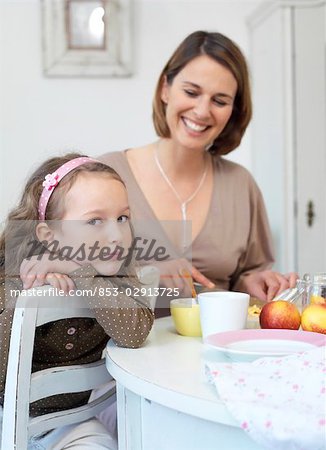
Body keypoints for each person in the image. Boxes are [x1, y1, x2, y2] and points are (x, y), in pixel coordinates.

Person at [100, 30, 297, 314]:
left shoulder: (241, 185)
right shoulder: (107, 174)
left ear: (234, 110)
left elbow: (246, 278)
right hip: (121, 354)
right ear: (164, 89)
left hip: (217, 351)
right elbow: (65, 274)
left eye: (220, 101)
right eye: (191, 92)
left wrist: (255, 282)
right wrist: (146, 275)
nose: (202, 111)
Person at [0, 153, 154, 449]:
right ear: (50, 236)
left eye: (122, 217)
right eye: (94, 220)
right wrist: (27, 294)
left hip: (72, 422)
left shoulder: (117, 276)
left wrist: (80, 272)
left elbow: (135, 334)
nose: (116, 235)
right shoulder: (13, 278)